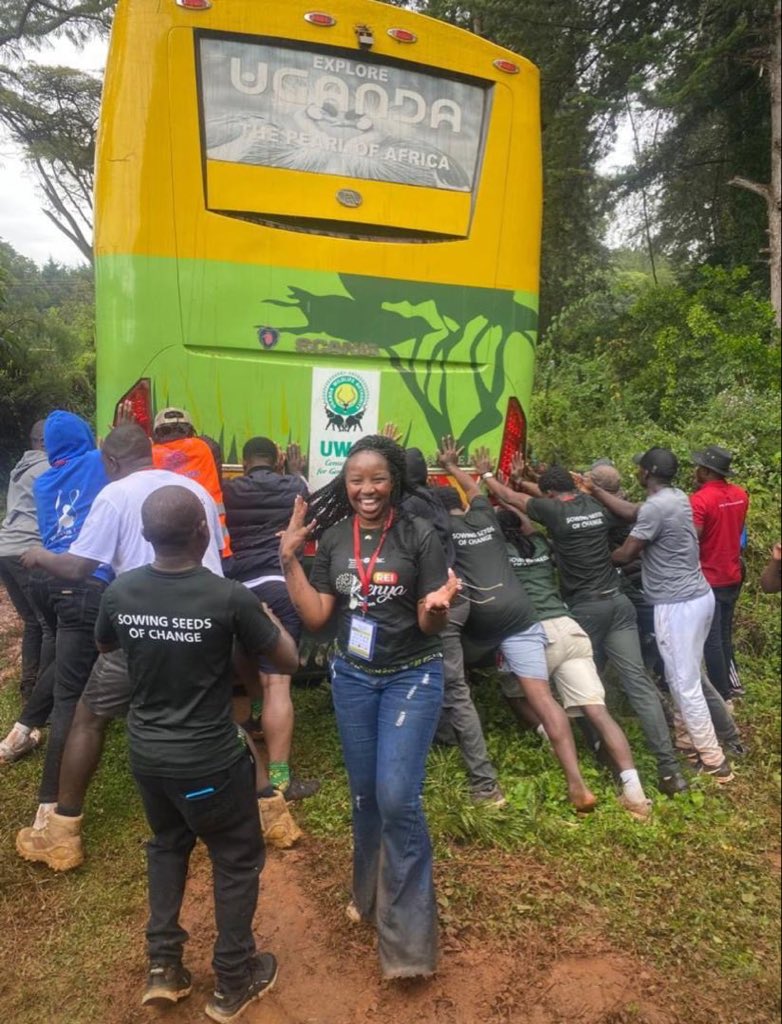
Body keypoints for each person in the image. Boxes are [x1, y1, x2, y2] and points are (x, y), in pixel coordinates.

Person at [93, 485, 298, 1020]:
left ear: (144, 535)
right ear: (204, 533)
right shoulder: (227, 597)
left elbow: (106, 644)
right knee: (235, 859)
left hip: (148, 757)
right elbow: (288, 658)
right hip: (208, 760)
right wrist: (259, 612)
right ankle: (233, 979)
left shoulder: (120, 592)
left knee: (167, 845)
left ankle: (163, 967)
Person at [279, 435, 459, 980]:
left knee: (397, 797)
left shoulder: (419, 534)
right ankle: (370, 891)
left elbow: (432, 621)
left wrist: (435, 609)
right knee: (364, 797)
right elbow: (315, 617)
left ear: (394, 480)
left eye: (377, 478)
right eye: (356, 479)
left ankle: (408, 945)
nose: (366, 489)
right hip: (353, 677)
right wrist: (288, 560)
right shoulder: (335, 538)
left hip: (411, 676)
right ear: (346, 483)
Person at [15, 424, 224, 870]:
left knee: (88, 719)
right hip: (208, 627)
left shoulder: (115, 494)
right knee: (217, 715)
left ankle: (62, 832)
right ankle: (267, 808)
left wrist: (38, 555)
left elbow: (77, 567)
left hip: (145, 630)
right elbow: (216, 555)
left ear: (109, 462)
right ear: (149, 453)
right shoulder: (194, 489)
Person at [503, 459, 688, 797]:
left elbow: (518, 501)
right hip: (618, 603)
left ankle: (603, 756)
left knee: (587, 694)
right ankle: (670, 770)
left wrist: (493, 478)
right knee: (639, 685)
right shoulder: (596, 504)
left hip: (586, 609)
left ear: (549, 495)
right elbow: (561, 498)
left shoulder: (555, 514)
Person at [438, 440, 598, 813]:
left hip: (481, 620)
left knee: (451, 673)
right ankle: (577, 783)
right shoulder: (484, 516)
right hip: (519, 613)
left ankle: (453, 745)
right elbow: (478, 492)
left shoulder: (440, 529)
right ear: (461, 505)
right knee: (543, 698)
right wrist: (455, 468)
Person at [478, 488, 652, 819]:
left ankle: (552, 740)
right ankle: (635, 793)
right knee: (598, 711)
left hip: (532, 634)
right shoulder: (542, 545)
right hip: (570, 629)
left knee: (516, 694)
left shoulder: (498, 554)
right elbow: (528, 526)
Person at [589, 448, 734, 782]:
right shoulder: (676, 497)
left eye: (640, 468)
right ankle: (688, 741)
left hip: (677, 604)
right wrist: (594, 490)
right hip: (700, 596)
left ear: (647, 473)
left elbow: (626, 554)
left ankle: (714, 761)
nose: (637, 472)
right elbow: (632, 512)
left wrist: (592, 556)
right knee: (685, 675)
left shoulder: (656, 507)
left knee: (684, 685)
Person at [10, 411, 111, 825]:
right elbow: (116, 455)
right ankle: (49, 805)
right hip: (83, 585)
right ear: (84, 437)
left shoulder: (44, 480)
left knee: (67, 661)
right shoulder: (95, 463)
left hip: (47, 584)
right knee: (71, 697)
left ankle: (22, 728)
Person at [401, 448, 503, 806]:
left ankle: (485, 783)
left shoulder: (406, 508)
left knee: (454, 688)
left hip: (437, 602)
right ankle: (443, 739)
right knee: (439, 679)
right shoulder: (435, 500)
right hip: (455, 598)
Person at [223, 436, 318, 800]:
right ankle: (279, 777)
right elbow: (307, 512)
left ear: (245, 464)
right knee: (278, 680)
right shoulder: (294, 485)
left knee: (242, 651)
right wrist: (296, 469)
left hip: (238, 589)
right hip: (280, 585)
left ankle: (256, 713)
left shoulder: (227, 491)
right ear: (278, 460)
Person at [0, 420, 49, 760]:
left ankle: (29, 687)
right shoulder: (47, 467)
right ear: (46, 441)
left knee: (33, 623)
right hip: (26, 552)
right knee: (48, 626)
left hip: (5, 549)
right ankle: (41, 699)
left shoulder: (23, 464)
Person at [690, 446, 749, 701]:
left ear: (705, 471)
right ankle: (732, 685)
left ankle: (721, 692)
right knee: (724, 633)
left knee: (711, 638)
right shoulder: (740, 494)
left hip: (709, 577)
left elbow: (694, 538)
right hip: (733, 572)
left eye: (698, 466)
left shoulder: (700, 500)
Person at [151, 407, 232, 558]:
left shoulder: (151, 454)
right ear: (190, 430)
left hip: (169, 552)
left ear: (157, 433)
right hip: (217, 547)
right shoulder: (205, 447)